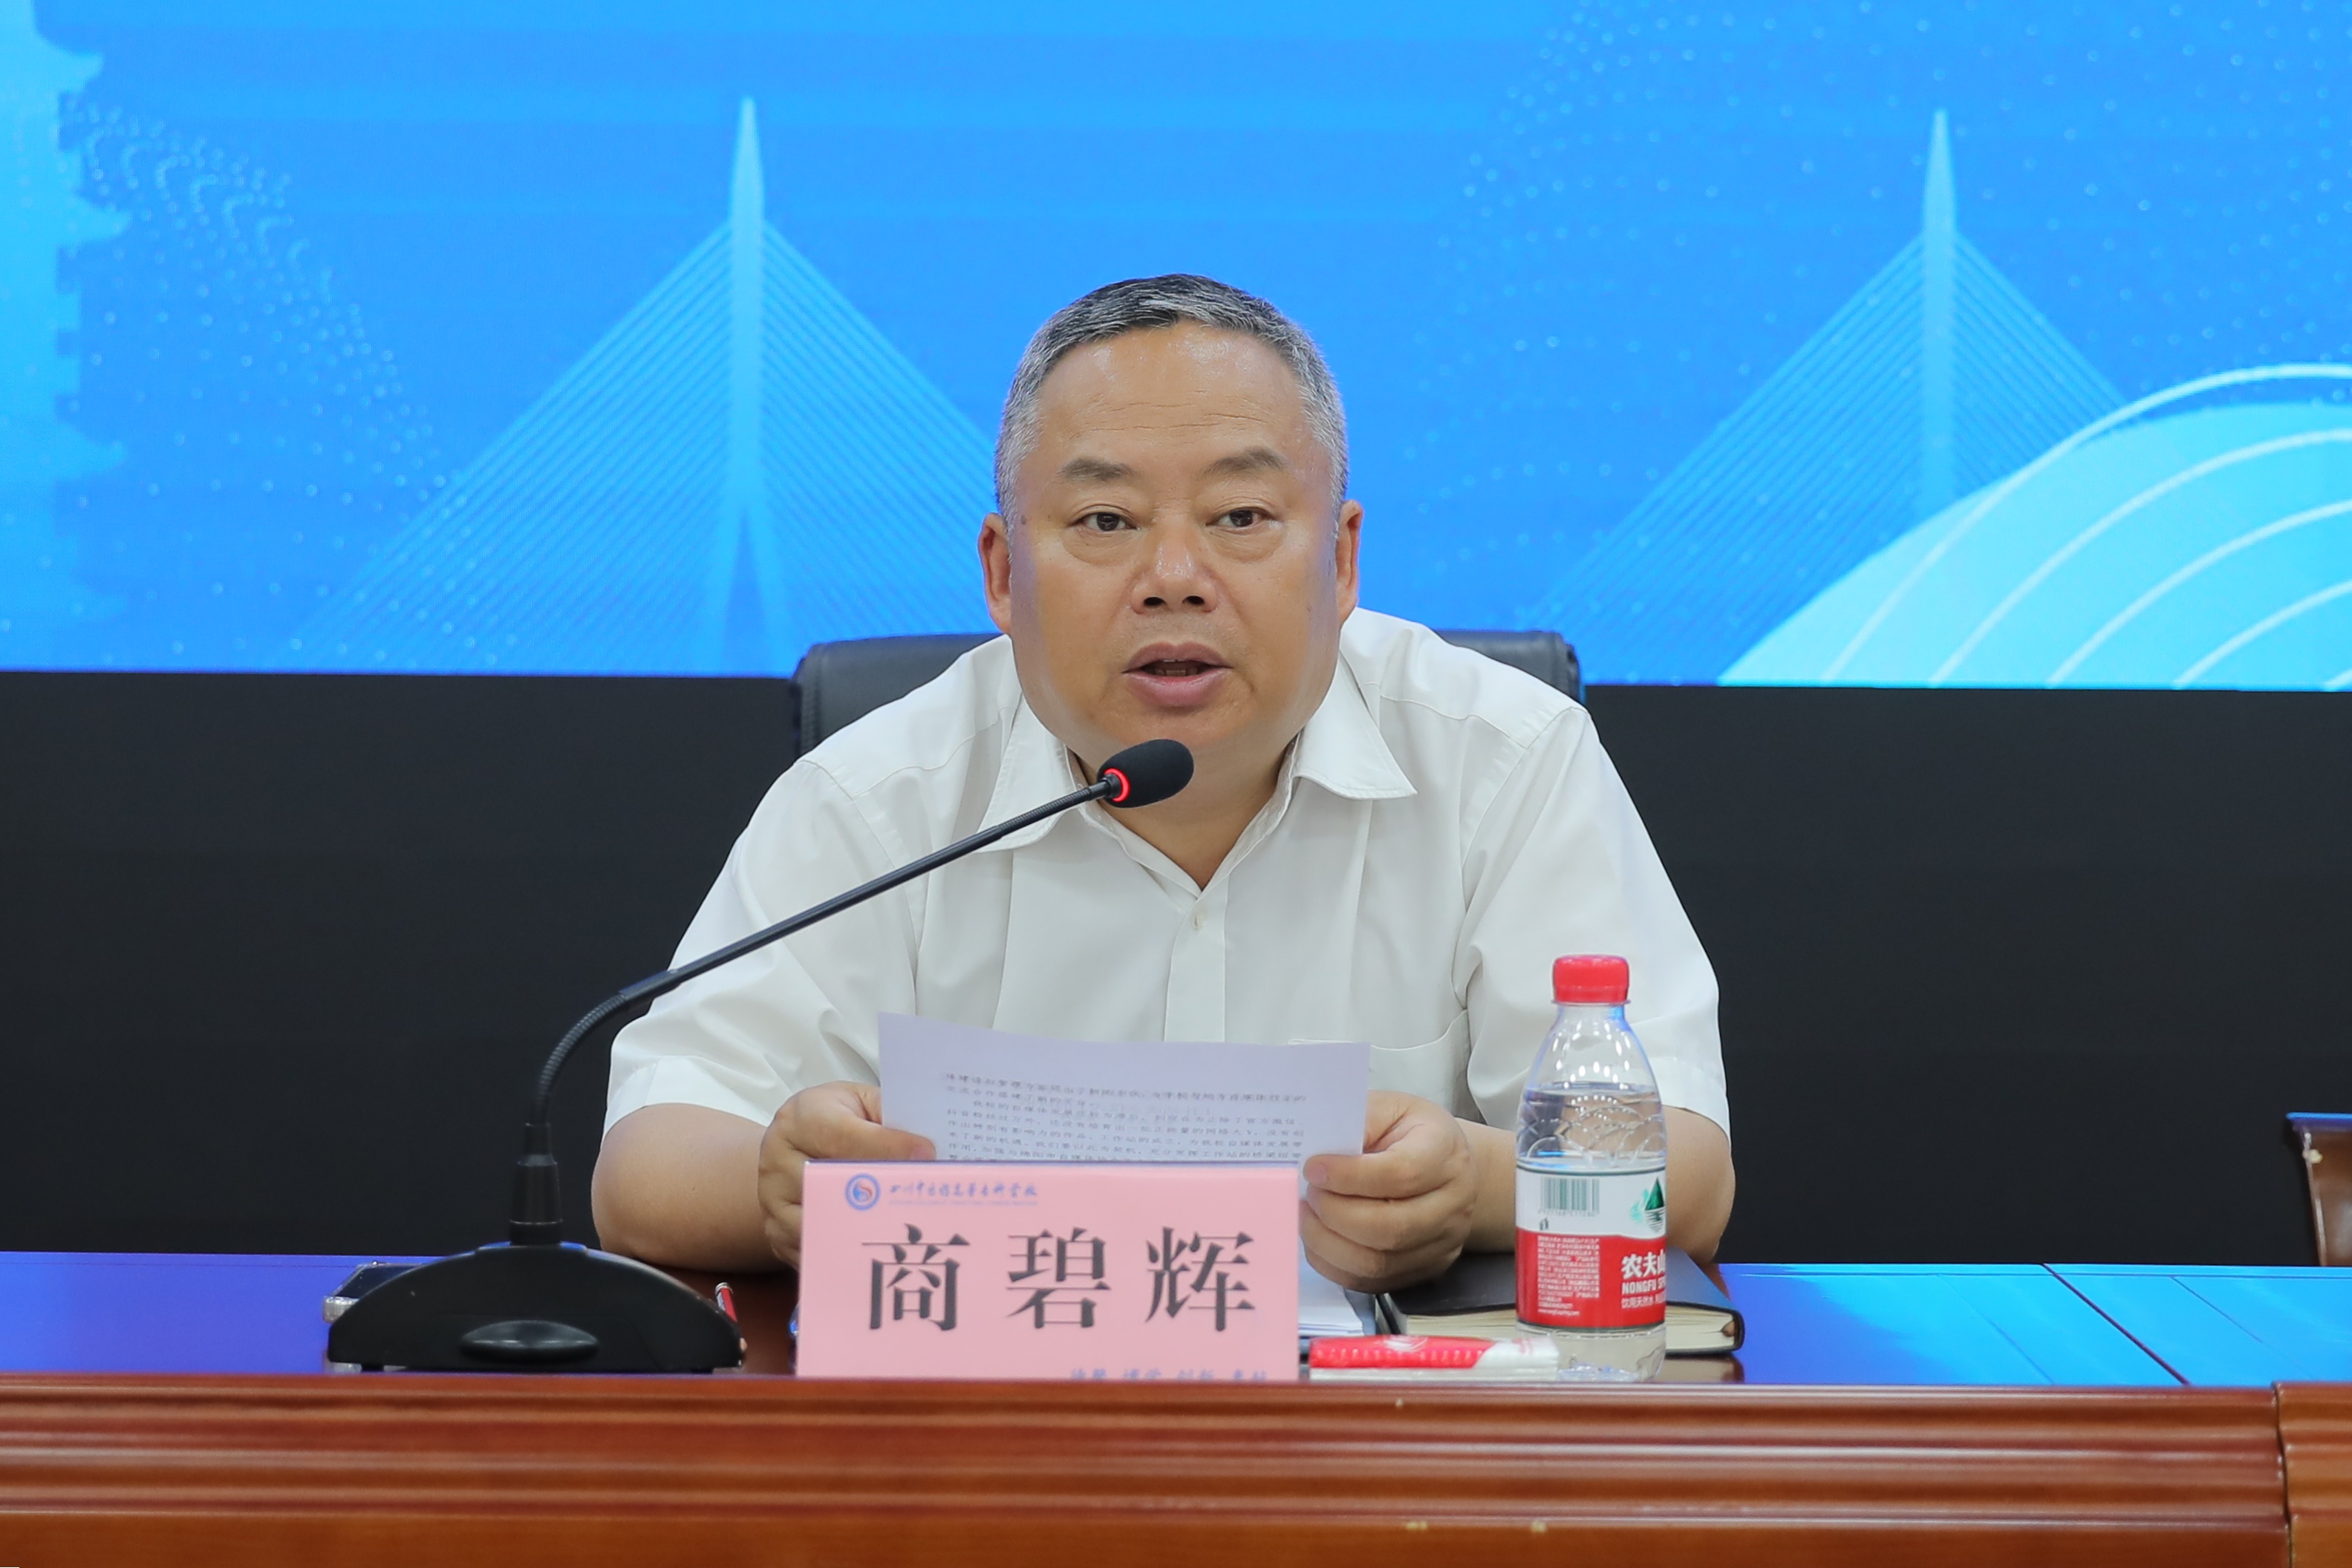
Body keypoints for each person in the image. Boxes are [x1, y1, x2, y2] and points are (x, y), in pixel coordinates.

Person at [592, 275, 1734, 1290]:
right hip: (986, 1428)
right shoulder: (882, 794)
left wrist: (1473, 1185)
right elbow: (646, 1167)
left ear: (1341, 561)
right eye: (1106, 520)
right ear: (1003, 573)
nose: (1175, 577)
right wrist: (780, 1184)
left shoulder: (1503, 758)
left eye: (1241, 517)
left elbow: (1684, 1168)